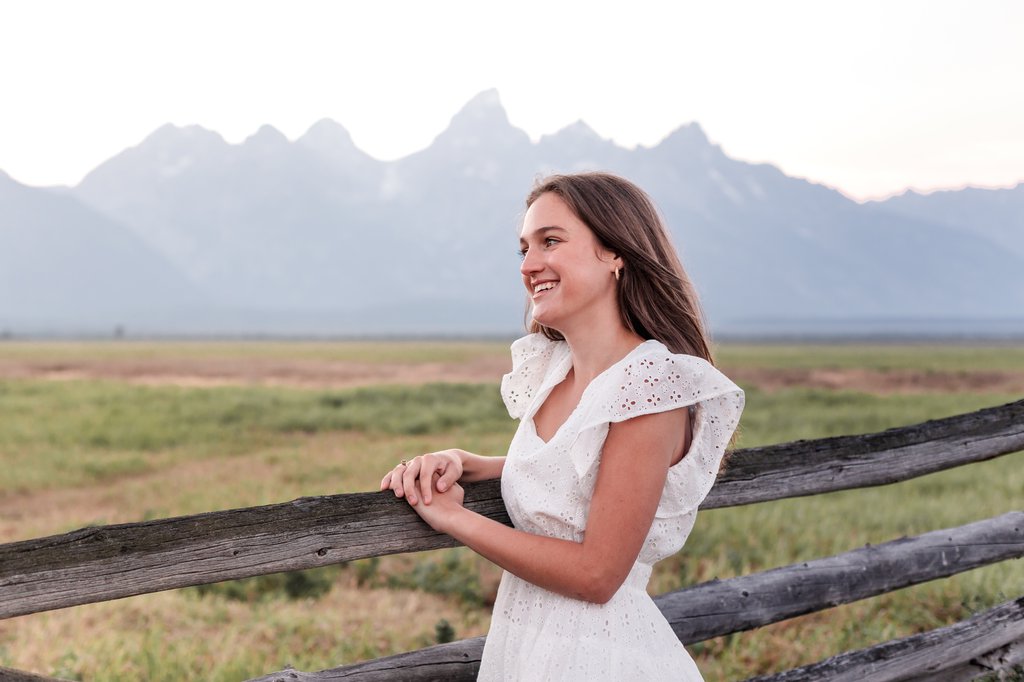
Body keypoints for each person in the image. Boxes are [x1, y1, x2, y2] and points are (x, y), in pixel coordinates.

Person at [380, 172, 744, 681]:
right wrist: (470, 464)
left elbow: (597, 574)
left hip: (597, 660)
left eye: (550, 241)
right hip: (529, 648)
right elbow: (581, 468)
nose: (529, 266)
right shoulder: (555, 371)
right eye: (524, 248)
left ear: (616, 252)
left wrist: (454, 518)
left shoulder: (650, 386)